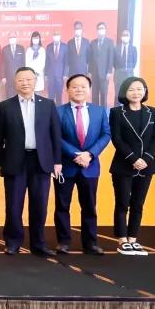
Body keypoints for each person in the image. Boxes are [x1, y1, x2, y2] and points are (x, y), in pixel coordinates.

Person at [0, 67, 62, 256]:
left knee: (39, 205)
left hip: (41, 161)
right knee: (13, 205)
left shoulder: (48, 104)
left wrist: (57, 161)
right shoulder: (5, 106)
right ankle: (13, 242)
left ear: (35, 81)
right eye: (21, 80)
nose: (25, 83)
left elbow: (55, 135)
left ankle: (38, 243)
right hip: (14, 161)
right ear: (15, 82)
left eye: (29, 79)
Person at [53, 74, 110, 255]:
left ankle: (90, 243)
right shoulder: (58, 111)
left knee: (89, 206)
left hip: (90, 166)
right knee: (62, 206)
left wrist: (90, 154)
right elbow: (55, 136)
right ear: (67, 90)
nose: (79, 89)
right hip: (65, 166)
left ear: (89, 89)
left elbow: (106, 135)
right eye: (75, 86)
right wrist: (76, 154)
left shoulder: (99, 111)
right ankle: (63, 242)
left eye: (83, 86)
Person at [108, 77, 155, 255]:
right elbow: (117, 139)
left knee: (138, 204)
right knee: (122, 203)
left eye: (139, 89)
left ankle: (133, 239)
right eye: (131, 89)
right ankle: (122, 239)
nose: (136, 93)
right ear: (124, 92)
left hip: (147, 164)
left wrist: (145, 158)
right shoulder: (117, 112)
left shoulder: (153, 112)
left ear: (145, 91)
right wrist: (133, 159)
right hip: (124, 164)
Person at [88, 22, 115, 107]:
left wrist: (109, 72)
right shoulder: (93, 43)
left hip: (104, 74)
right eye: (99, 28)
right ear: (97, 31)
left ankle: (103, 113)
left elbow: (111, 58)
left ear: (105, 30)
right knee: (94, 95)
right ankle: (95, 112)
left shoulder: (110, 42)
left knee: (103, 95)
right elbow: (90, 58)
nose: (101, 30)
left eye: (102, 28)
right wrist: (89, 71)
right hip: (94, 73)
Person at [112, 29, 138, 103]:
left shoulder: (133, 49)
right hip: (118, 73)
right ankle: (116, 109)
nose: (125, 37)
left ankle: (128, 109)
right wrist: (119, 69)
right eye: (124, 35)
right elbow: (114, 62)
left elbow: (134, 63)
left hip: (129, 74)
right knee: (118, 93)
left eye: (127, 35)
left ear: (129, 37)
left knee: (129, 93)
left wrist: (128, 70)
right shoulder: (116, 48)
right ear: (121, 37)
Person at [1, 32, 25, 98]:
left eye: (14, 37)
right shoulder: (4, 49)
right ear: (8, 39)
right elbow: (3, 64)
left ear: (16, 38)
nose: (12, 39)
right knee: (9, 95)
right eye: (11, 37)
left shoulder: (21, 48)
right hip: (8, 77)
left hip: (18, 76)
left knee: (18, 95)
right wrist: (3, 77)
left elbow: (23, 63)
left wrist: (23, 75)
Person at [45, 31, 67, 104]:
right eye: (55, 35)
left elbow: (66, 62)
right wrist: (46, 74)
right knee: (50, 97)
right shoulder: (49, 46)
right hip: (50, 76)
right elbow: (47, 61)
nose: (56, 37)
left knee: (59, 97)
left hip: (60, 76)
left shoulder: (65, 47)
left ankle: (58, 110)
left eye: (57, 35)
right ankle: (50, 110)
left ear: (60, 36)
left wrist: (65, 74)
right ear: (53, 37)